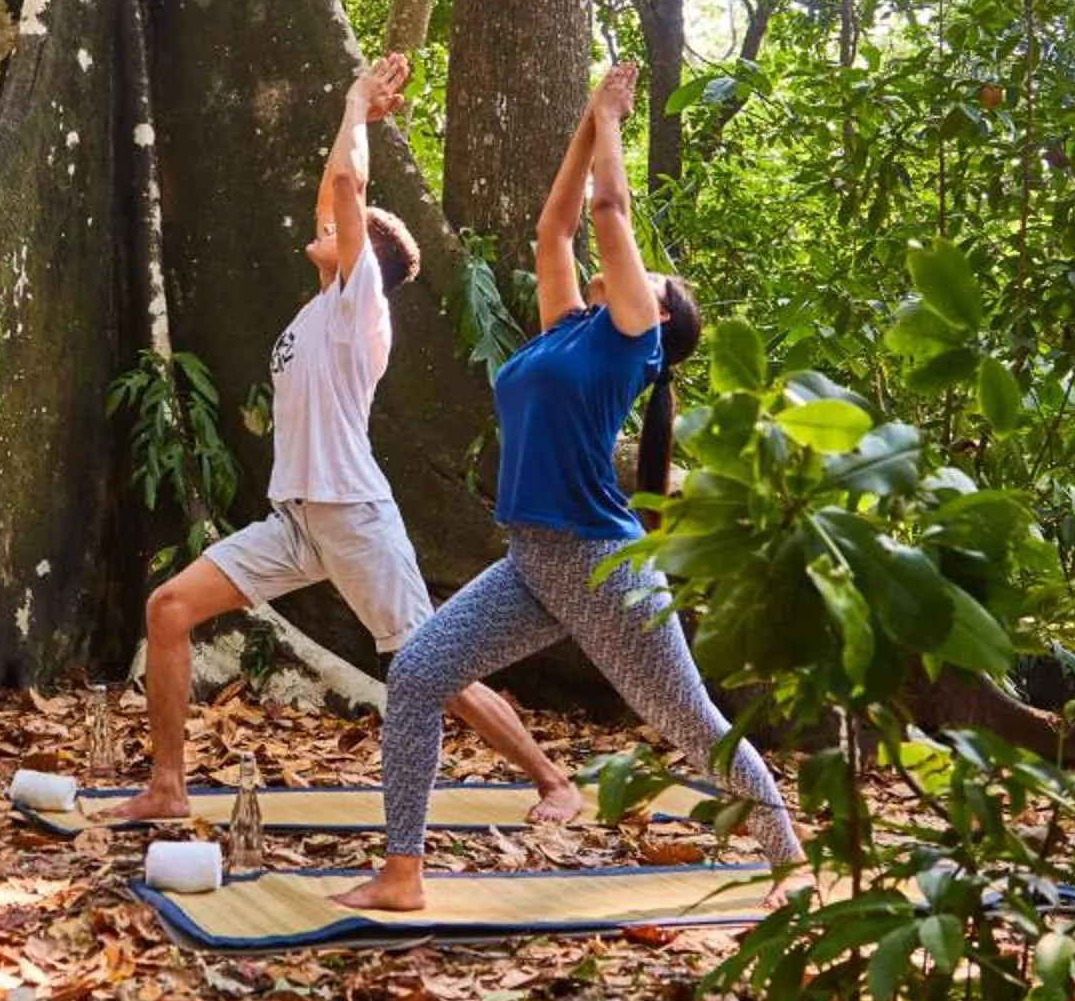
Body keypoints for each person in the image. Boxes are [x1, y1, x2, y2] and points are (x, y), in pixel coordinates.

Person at [341, 61, 803, 912]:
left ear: (659, 316)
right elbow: (555, 232)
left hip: (602, 570)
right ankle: (403, 874)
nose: (633, 267)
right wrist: (587, 123)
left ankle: (791, 864)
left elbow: (607, 211)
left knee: (695, 728)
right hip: (532, 561)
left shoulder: (632, 341)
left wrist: (614, 122)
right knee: (416, 674)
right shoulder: (570, 332)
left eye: (652, 277)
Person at [102, 55, 582, 825]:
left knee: (431, 666)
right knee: (168, 608)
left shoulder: (364, 310)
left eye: (338, 228)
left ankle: (553, 780)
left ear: (366, 260)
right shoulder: (317, 310)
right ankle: (167, 786)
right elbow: (335, 192)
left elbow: (347, 188)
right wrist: (352, 121)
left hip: (354, 517)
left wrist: (357, 105)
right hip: (296, 520)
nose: (324, 222)